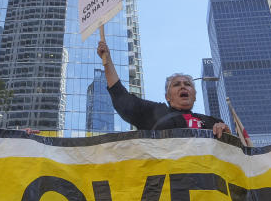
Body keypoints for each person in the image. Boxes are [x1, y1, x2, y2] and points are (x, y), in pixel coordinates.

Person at [96, 40, 235, 139]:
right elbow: (122, 98)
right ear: (168, 96)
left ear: (194, 95)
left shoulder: (212, 121)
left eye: (187, 84)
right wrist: (107, 61)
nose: (182, 86)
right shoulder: (154, 113)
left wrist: (227, 136)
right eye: (176, 84)